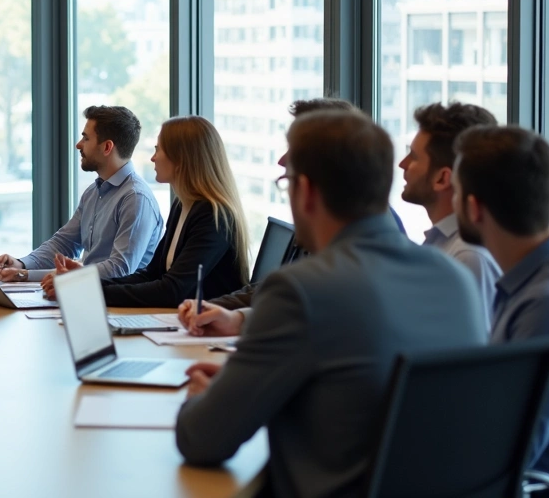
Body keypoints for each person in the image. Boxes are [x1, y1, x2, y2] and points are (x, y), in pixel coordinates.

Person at [174, 111, 486, 496]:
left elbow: (201, 440)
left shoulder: (300, 290)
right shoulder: (453, 278)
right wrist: (244, 385)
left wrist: (205, 399)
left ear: (305, 191)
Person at [180, 97, 408, 329]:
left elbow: (305, 308)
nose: (282, 160)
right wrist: (233, 317)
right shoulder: (376, 239)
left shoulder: (355, 263)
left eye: (295, 150)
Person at [45, 115, 249, 308]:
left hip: (205, 335)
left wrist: (84, 290)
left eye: (158, 149)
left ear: (181, 159)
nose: (153, 158)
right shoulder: (183, 205)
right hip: (180, 322)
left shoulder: (213, 215)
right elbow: (151, 274)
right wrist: (83, 285)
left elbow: (172, 290)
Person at [452, 125, 549, 476]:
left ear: (474, 207)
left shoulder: (544, 304)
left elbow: (510, 453)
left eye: (455, 192)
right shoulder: (527, 282)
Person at [0, 106, 163, 286]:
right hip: (88, 294)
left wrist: (29, 275)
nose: (78, 144)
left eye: (86, 138)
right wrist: (21, 264)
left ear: (107, 147)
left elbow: (119, 269)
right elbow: (64, 243)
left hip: (119, 307)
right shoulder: (93, 192)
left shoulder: (136, 198)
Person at [399, 102, 500, 327]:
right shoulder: (442, 245)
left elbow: (475, 354)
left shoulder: (468, 257)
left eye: (413, 157)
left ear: (443, 179)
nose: (402, 164)